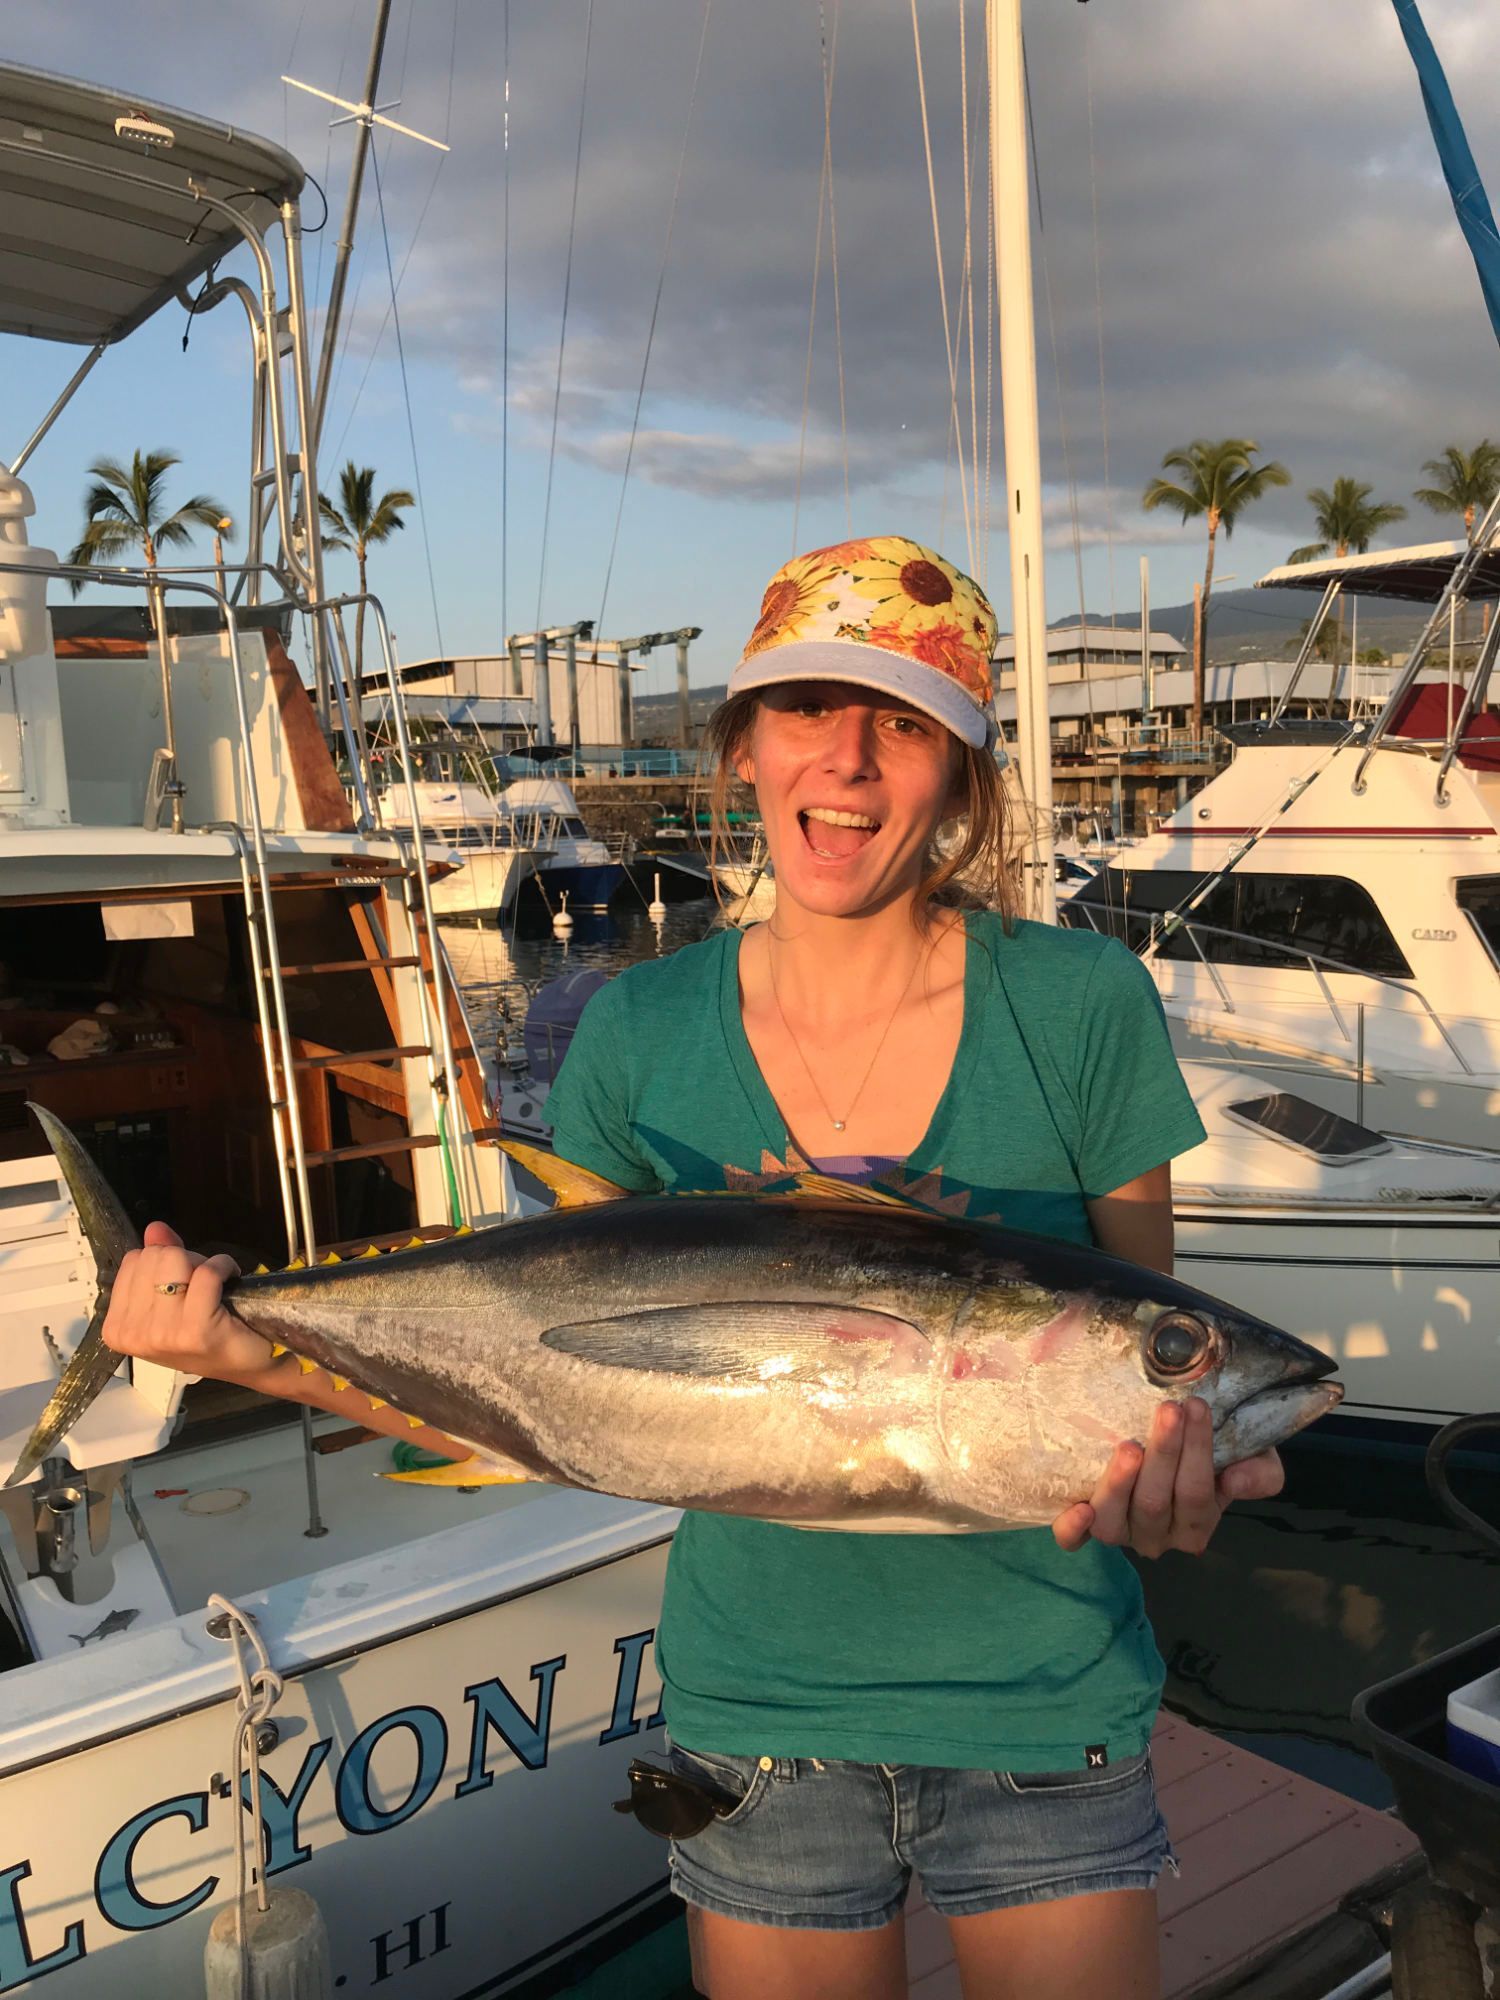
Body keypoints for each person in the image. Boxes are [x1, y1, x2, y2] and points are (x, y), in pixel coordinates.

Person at [99, 535, 1283, 2000]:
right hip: (761, 1716)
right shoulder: (644, 1033)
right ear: (741, 745)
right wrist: (245, 1351)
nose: (848, 759)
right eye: (807, 707)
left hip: (1050, 1713)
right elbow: (522, 1394)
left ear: (964, 775)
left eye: (907, 719)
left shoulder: (1080, 1002)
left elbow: (1144, 1341)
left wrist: (1161, 1492)